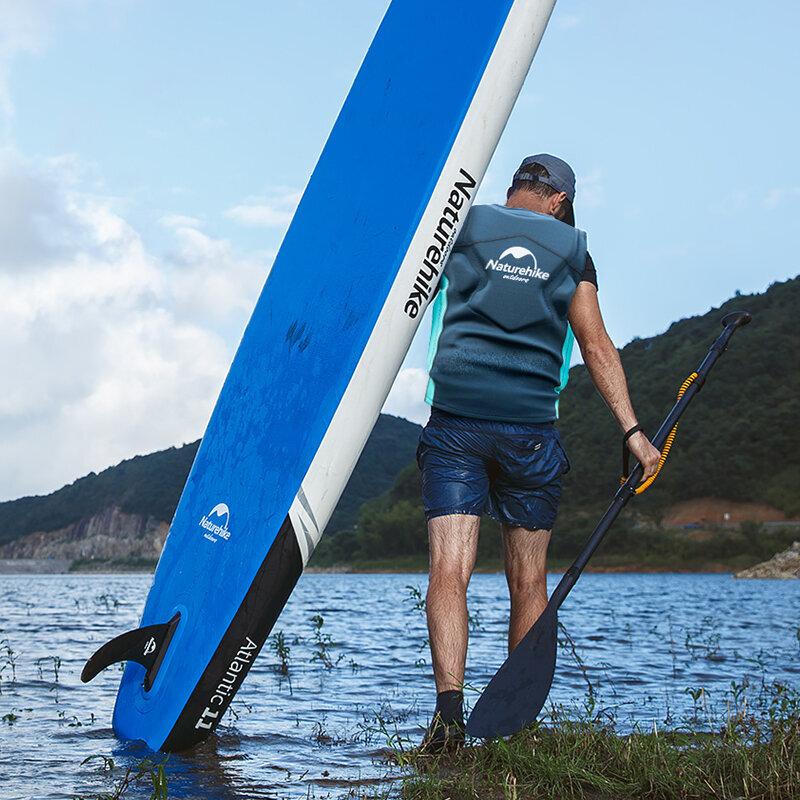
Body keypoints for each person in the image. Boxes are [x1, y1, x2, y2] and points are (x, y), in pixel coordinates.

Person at [416, 154, 661, 750]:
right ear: (559, 200)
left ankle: (448, 719)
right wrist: (632, 431)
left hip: (455, 423)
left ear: (515, 190)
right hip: (529, 432)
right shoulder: (573, 248)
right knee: (528, 579)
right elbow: (596, 343)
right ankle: (514, 727)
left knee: (450, 569)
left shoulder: (463, 226)